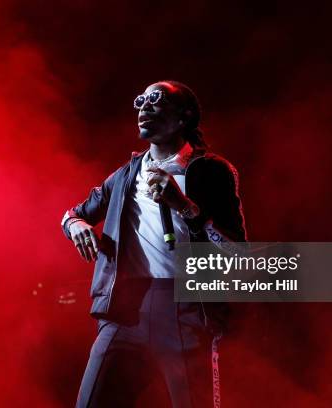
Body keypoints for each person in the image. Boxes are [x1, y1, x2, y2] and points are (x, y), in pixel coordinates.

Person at [60, 80, 247, 407]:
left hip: (185, 310)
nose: (144, 108)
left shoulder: (212, 171)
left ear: (183, 116)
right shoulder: (125, 174)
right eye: (141, 101)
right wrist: (76, 226)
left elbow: (237, 253)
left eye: (156, 101)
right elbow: (74, 214)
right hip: (124, 310)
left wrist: (185, 206)